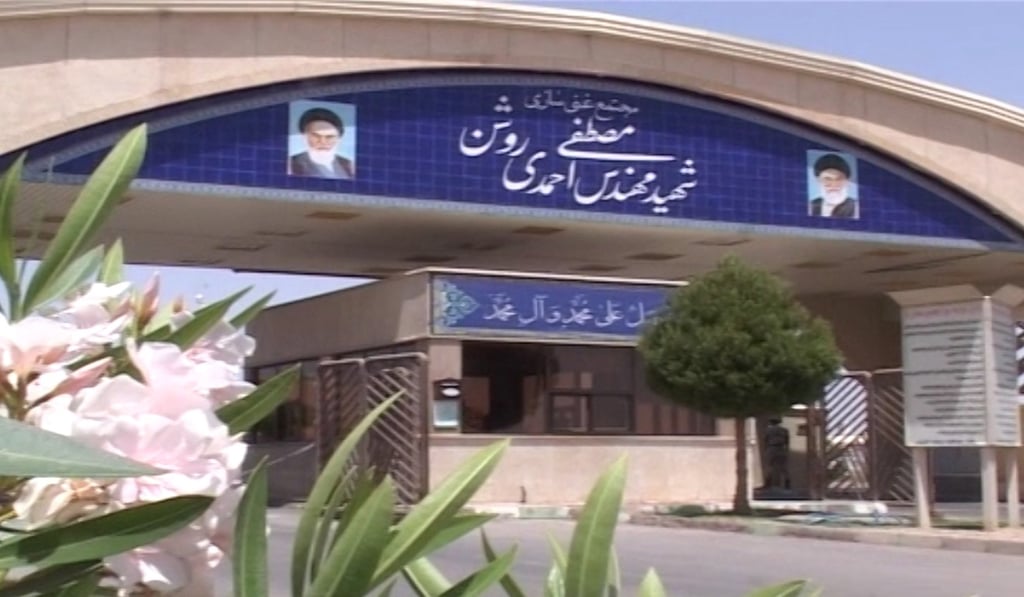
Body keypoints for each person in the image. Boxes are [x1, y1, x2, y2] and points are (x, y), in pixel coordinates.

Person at [288, 107, 355, 179]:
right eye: (316, 136)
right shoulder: (290, 164)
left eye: (329, 137)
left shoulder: (349, 164)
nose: (322, 142)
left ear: (339, 139)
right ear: (304, 137)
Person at [808, 153, 858, 219]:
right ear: (818, 181)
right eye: (827, 179)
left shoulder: (857, 207)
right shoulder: (810, 206)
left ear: (847, 182)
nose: (834, 184)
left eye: (839, 179)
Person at [763, 417, 791, 490]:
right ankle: (787, 483)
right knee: (784, 467)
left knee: (769, 465)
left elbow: (766, 440)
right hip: (781, 448)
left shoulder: (768, 430)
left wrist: (765, 449)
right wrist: (787, 450)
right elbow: (787, 441)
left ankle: (768, 483)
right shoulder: (784, 430)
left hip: (771, 447)